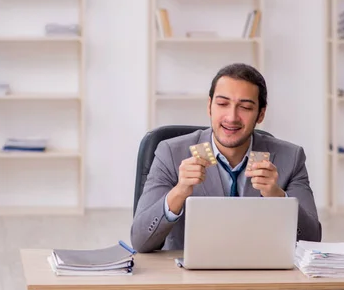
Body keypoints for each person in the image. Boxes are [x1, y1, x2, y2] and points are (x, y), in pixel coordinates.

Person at [130, 63, 322, 253]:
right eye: (222, 104)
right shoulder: (170, 153)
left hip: (261, 274)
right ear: (209, 106)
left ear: (261, 114)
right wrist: (179, 192)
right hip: (191, 277)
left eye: (245, 107)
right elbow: (141, 241)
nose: (232, 117)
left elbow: (312, 239)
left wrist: (279, 198)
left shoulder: (291, 158)